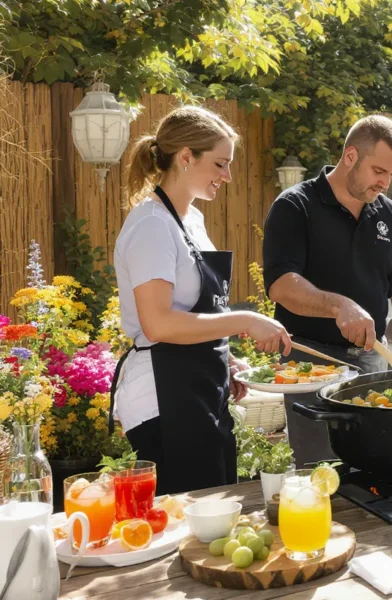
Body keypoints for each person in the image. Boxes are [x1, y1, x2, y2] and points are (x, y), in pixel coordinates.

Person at [111, 106, 291, 495]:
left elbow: (194, 311)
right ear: (186, 157)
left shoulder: (190, 219)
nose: (227, 176)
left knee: (218, 506)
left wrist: (223, 356)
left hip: (198, 387)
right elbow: (158, 324)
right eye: (220, 164)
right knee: (190, 520)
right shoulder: (151, 226)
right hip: (163, 400)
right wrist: (245, 320)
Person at [263, 115, 392, 463]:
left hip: (374, 360)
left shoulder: (391, 215)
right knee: (320, 471)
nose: (385, 183)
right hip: (310, 361)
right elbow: (281, 285)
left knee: (377, 463)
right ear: (351, 156)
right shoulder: (295, 206)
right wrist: (339, 306)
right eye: (379, 171)